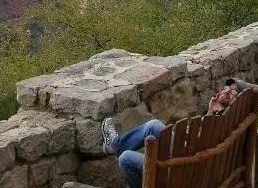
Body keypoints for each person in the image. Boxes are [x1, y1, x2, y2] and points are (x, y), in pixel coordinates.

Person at [101, 79, 243, 188]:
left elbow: (200, 145)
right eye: (225, 89)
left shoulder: (223, 121)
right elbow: (202, 142)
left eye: (232, 92)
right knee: (154, 125)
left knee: (125, 158)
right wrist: (211, 111)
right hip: (192, 159)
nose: (227, 91)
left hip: (185, 171)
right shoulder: (230, 117)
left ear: (238, 100)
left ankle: (116, 147)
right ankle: (115, 145)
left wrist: (210, 114)